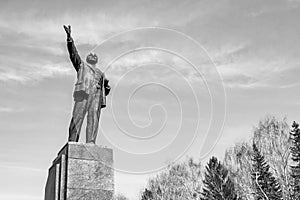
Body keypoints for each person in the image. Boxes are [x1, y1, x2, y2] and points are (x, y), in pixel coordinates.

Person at [63, 25, 111, 144]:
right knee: (77, 117)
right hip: (84, 93)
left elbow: (105, 88)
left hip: (96, 96)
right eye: (91, 55)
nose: (93, 55)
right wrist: (70, 39)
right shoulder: (82, 66)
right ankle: (72, 141)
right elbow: (73, 54)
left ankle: (91, 142)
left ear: (96, 60)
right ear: (88, 58)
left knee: (93, 119)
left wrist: (107, 88)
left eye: (95, 55)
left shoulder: (101, 73)